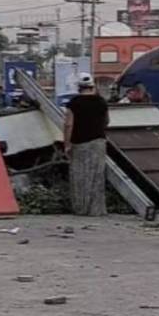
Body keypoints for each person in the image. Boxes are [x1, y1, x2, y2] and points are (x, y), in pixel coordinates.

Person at [64, 73, 109, 216]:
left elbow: (68, 124)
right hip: (99, 142)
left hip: (79, 143)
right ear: (92, 86)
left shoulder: (74, 103)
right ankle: (96, 210)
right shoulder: (102, 102)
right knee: (97, 177)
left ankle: (80, 209)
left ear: (79, 87)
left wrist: (67, 144)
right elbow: (107, 121)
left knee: (80, 176)